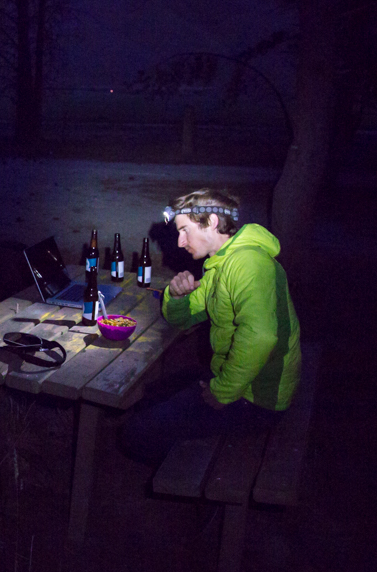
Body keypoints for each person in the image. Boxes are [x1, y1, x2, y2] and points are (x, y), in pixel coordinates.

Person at [119, 189, 302, 466]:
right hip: (237, 378)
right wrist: (177, 297)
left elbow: (261, 336)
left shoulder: (248, 264)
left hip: (258, 398)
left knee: (136, 433)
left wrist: (222, 391)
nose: (180, 242)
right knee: (151, 395)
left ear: (212, 222)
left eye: (185, 230)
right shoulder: (220, 264)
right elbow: (184, 318)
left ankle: (184, 472)